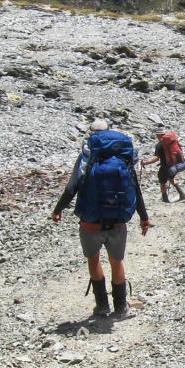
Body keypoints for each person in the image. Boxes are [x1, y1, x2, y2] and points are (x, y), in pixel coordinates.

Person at [51, 119, 150, 318]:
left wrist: (58, 209)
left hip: (90, 222)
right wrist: (144, 217)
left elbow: (72, 188)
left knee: (93, 259)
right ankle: (121, 308)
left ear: (91, 134)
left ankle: (102, 306)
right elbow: (135, 188)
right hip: (118, 221)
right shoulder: (124, 158)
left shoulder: (87, 157)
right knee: (117, 261)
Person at [141, 128, 185, 202]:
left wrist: (147, 162)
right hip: (175, 165)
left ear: (158, 135)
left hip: (165, 166)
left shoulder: (160, 145)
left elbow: (156, 158)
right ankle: (181, 194)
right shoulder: (172, 141)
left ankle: (165, 198)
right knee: (171, 178)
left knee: (162, 181)